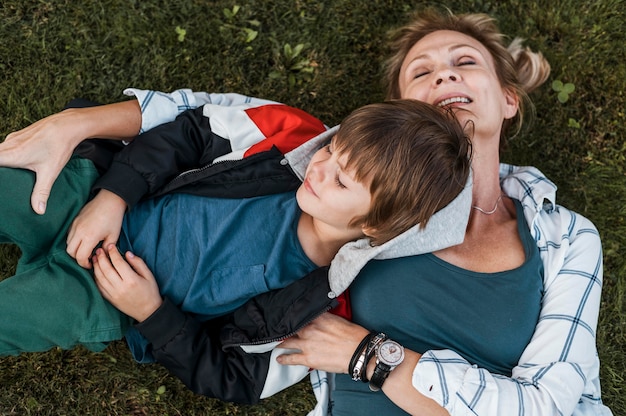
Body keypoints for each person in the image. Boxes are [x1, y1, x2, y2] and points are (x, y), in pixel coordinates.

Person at [0, 8, 610, 416]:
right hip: (106, 206)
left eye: (465, 62)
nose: (444, 75)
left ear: (507, 100)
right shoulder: (311, 150)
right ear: (395, 106)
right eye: (421, 72)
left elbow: (552, 402)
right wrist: (86, 141)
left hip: (118, 297)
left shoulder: (563, 236)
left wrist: (367, 356)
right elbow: (202, 118)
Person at [0, 97, 472, 403]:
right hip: (86, 197)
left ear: (374, 224)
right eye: (333, 150)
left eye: (342, 179)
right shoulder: (280, 151)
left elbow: (236, 379)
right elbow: (189, 132)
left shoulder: (314, 309)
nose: (320, 166)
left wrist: (151, 314)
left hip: (100, 294)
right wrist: (114, 196)